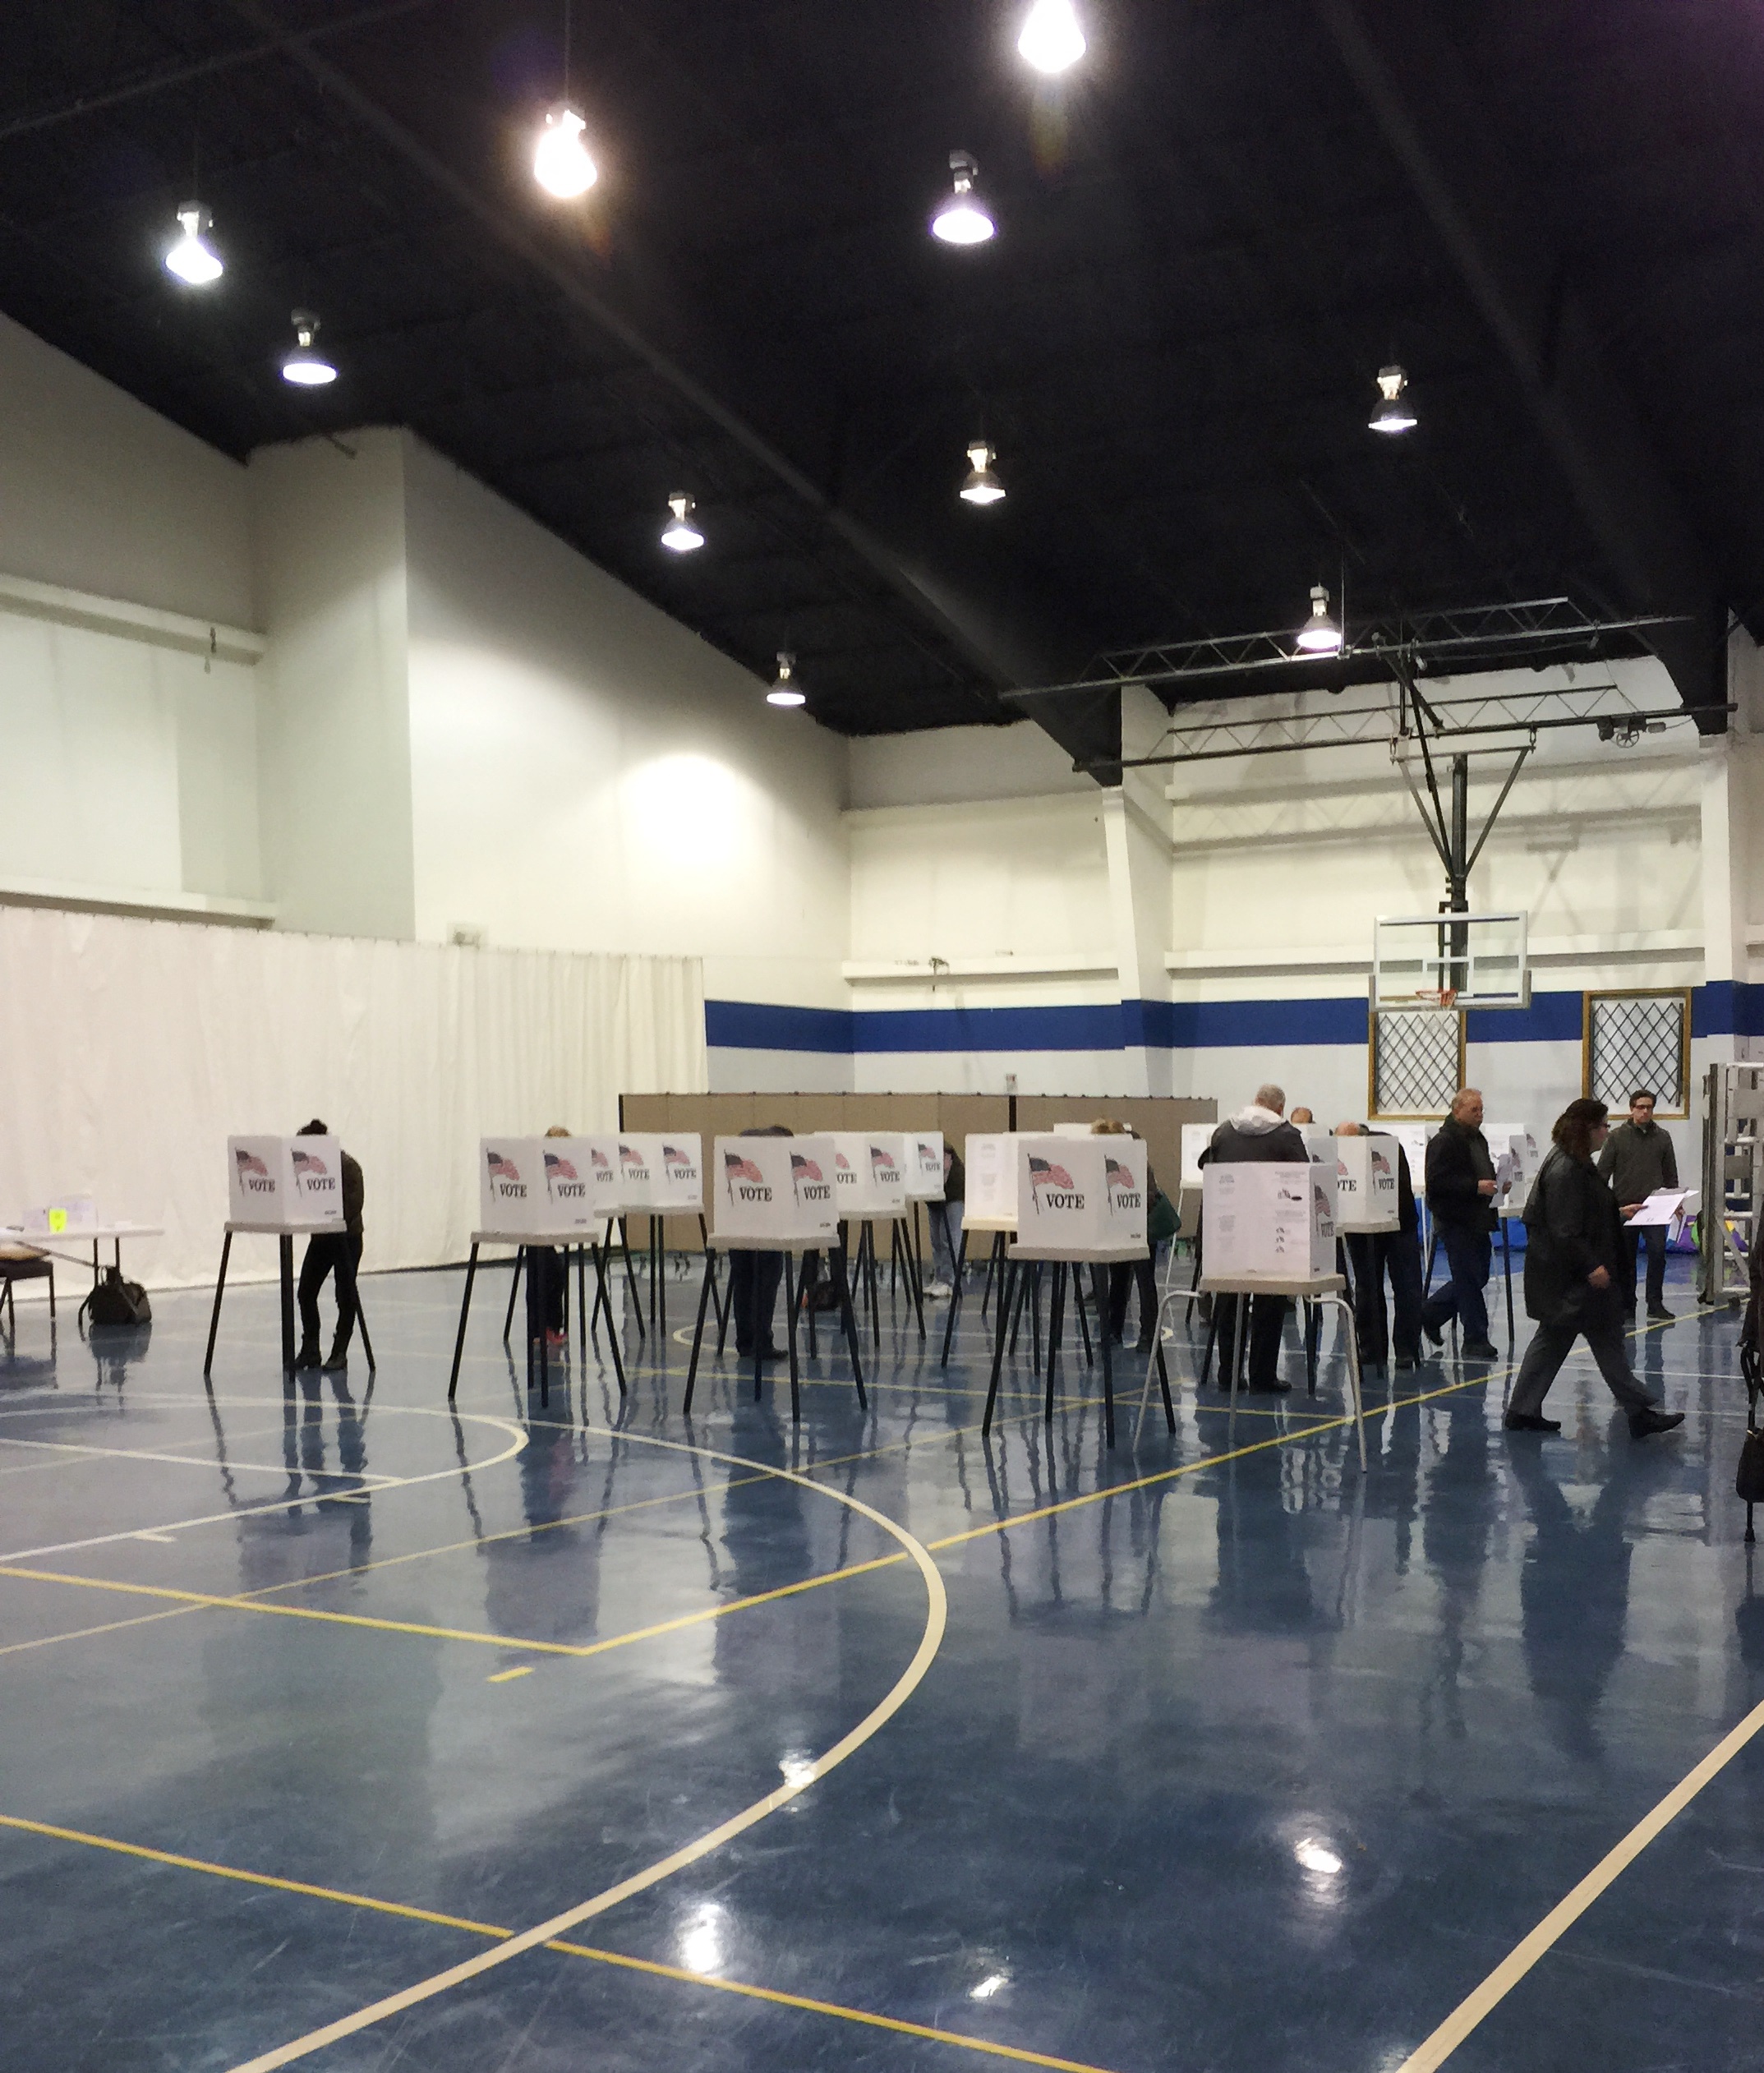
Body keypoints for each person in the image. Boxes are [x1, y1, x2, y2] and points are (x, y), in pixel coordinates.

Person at [1504, 1097, 1684, 1439]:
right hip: (1574, 1277)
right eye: (1604, 1125)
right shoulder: (1567, 1170)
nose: (1607, 1131)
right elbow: (1565, 1229)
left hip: (1567, 1276)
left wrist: (1619, 1212)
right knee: (1601, 1340)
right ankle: (1639, 1412)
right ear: (1589, 1129)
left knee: (1561, 1340)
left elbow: (1581, 1216)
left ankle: (1522, 1410)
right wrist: (1592, 1267)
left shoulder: (1573, 1161)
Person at [1208, 1084, 1307, 1391]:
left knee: (1229, 1303)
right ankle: (1263, 1375)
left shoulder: (1223, 1132)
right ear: (1279, 1108)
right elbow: (1302, 1179)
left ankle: (1228, 1374)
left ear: (1255, 1102)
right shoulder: (1287, 1134)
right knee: (1270, 1303)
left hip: (1230, 1227)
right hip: (1270, 1228)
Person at [1421, 1087, 1502, 1361]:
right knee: (1468, 1279)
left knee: (1476, 1276)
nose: (1479, 1115)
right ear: (1458, 1110)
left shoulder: (1477, 1139)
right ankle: (1475, 1339)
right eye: (1474, 1110)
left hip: (1478, 1217)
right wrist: (1475, 1186)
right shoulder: (1444, 1141)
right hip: (1455, 1219)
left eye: (1481, 1110)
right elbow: (1437, 1183)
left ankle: (1431, 1312)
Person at [1335, 1122, 1424, 1369]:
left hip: (1399, 1224)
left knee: (1407, 1288)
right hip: (1360, 1229)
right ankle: (1371, 1349)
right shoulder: (1339, 1152)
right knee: (1366, 1288)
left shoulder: (1389, 1147)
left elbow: (1401, 1191)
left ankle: (1406, 1348)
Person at [1597, 1089, 1679, 1321]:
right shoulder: (1616, 1138)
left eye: (1649, 1107)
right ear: (1631, 1109)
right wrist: (1606, 1206)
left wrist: (1675, 1202)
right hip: (1625, 1207)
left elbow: (1670, 1174)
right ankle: (1626, 1305)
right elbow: (1603, 1172)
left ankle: (1655, 1303)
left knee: (1657, 1254)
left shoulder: (1663, 1137)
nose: (1645, 1111)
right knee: (1625, 1259)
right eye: (1640, 1107)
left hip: (1655, 1208)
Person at [1094, 1120, 1173, 1352]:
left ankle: (1148, 1334)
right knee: (1119, 1280)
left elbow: (1149, 1192)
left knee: (1144, 1282)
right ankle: (1113, 1331)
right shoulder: (1114, 1155)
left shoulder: (1134, 1156)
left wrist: (1128, 1209)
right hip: (1119, 1226)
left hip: (1141, 1227)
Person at [293, 1118, 365, 1371]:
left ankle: (340, 1350)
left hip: (347, 1239)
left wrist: (323, 1212)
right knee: (305, 1292)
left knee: (344, 1296)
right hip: (322, 1240)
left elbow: (352, 1209)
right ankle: (311, 1348)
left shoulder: (348, 1167)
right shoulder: (308, 1170)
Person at [729, 1124, 790, 1359]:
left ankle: (745, 1342)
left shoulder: (742, 1143)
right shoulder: (779, 1147)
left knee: (742, 1282)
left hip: (736, 1220)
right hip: (768, 1223)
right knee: (767, 1281)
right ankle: (762, 1343)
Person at [530, 1125, 572, 1351]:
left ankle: (545, 1329)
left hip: (542, 1233)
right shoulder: (541, 1170)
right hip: (536, 1233)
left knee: (550, 1275)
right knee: (549, 1277)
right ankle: (546, 1329)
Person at [923, 1141, 965, 1298]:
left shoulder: (955, 1170)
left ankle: (949, 1282)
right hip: (934, 1200)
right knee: (936, 1240)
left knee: (949, 1239)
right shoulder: (924, 1165)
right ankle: (939, 1278)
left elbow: (948, 1178)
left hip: (953, 1197)